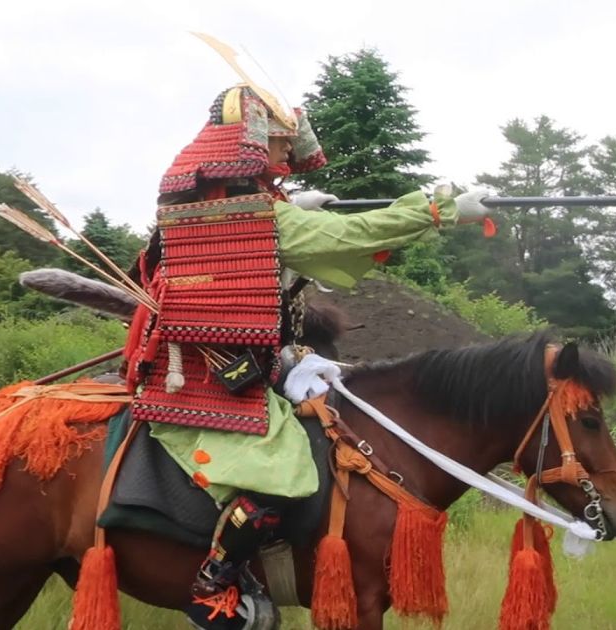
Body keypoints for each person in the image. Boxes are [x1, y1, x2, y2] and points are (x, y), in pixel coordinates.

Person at [122, 82, 493, 629]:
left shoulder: (225, 205)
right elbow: (351, 233)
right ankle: (213, 584)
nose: (283, 152)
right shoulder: (257, 214)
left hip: (242, 365)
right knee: (285, 472)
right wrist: (438, 211)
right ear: (244, 145)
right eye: (274, 141)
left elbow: (296, 244)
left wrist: (295, 208)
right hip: (214, 381)